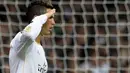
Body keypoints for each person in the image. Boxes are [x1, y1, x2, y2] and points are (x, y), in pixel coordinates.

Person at [9, 0, 56, 73]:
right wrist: (40, 18)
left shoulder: (40, 49)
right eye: (50, 17)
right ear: (38, 19)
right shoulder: (20, 40)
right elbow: (29, 35)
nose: (53, 22)